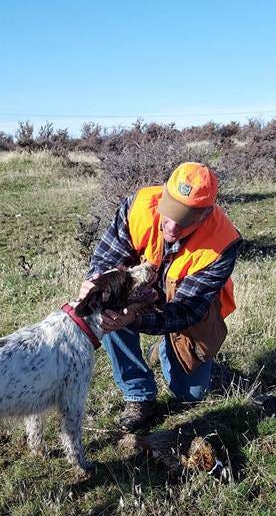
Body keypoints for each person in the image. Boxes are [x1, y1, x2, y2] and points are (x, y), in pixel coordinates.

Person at [79, 162, 242, 432]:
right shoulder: (139, 206)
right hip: (140, 289)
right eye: (170, 212)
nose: (172, 227)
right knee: (108, 309)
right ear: (164, 193)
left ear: (205, 214)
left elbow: (185, 311)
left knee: (190, 394)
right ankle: (138, 394)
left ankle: (165, 348)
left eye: (185, 220)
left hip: (185, 308)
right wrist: (96, 281)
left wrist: (135, 318)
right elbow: (107, 258)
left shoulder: (222, 243)